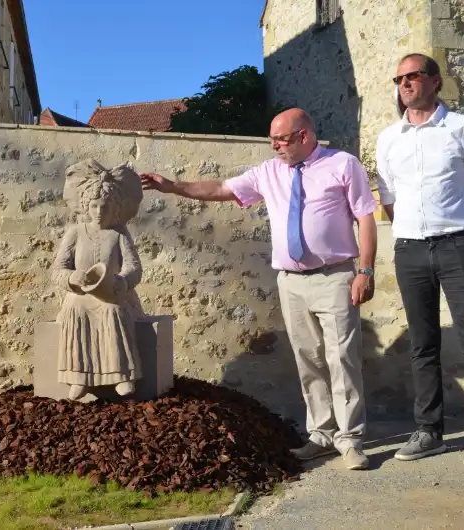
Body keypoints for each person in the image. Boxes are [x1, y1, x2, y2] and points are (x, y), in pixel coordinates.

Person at [141, 108, 378, 471]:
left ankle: (350, 439)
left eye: (280, 140)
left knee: (342, 358)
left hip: (335, 277)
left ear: (303, 136)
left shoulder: (342, 164)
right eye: (272, 140)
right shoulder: (269, 172)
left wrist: (365, 270)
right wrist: (172, 186)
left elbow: (365, 217)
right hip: (291, 282)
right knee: (309, 360)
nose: (274, 147)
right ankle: (322, 435)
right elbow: (221, 189)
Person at [376, 53, 464, 480]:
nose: (404, 84)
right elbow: (388, 196)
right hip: (410, 250)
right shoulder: (389, 138)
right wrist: (410, 230)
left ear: (434, 81)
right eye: (399, 78)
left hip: (457, 247)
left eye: (413, 76)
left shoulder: (463, 128)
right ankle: (429, 431)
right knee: (423, 344)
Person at [50, 160, 145, 400]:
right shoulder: (75, 233)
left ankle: (121, 375)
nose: (99, 212)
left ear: (114, 208)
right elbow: (58, 268)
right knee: (75, 309)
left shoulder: (119, 234)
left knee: (113, 311)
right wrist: (72, 277)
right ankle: (79, 376)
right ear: (86, 206)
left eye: (104, 206)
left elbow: (134, 266)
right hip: (81, 294)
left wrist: (123, 281)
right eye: (94, 206)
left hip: (112, 293)